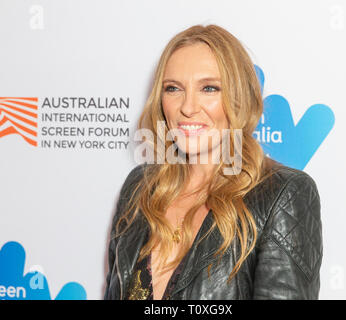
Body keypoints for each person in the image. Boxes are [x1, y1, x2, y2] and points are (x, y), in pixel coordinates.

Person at [104, 24, 323, 300]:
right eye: (173, 88)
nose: (188, 107)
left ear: (239, 98)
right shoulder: (140, 188)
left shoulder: (282, 194)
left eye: (209, 88)